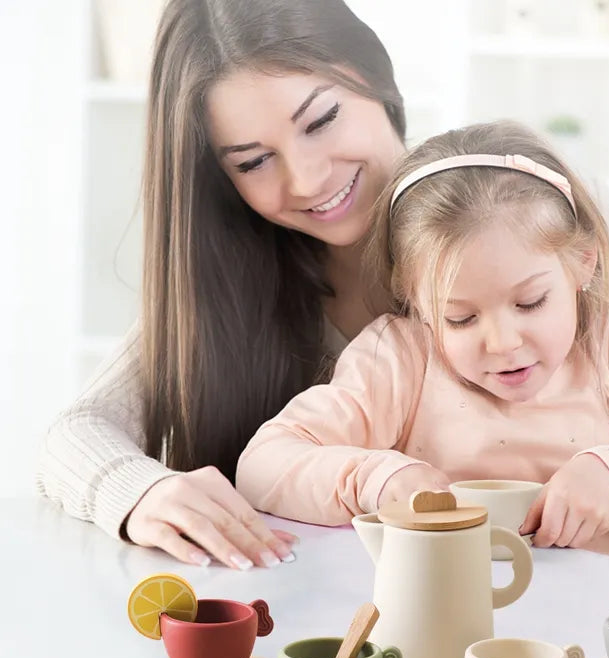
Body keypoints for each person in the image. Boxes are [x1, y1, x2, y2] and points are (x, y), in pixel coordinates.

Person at [236, 120, 609, 580]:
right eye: (461, 318)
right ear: (417, 301)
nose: (503, 343)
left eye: (530, 302)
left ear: (583, 264)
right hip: (443, 625)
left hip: (599, 636)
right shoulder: (399, 358)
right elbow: (262, 468)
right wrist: (378, 478)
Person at [35, 0, 407, 569]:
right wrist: (143, 492)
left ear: (376, 78)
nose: (306, 179)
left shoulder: (504, 209)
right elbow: (74, 436)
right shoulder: (239, 284)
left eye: (321, 121)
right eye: (255, 162)